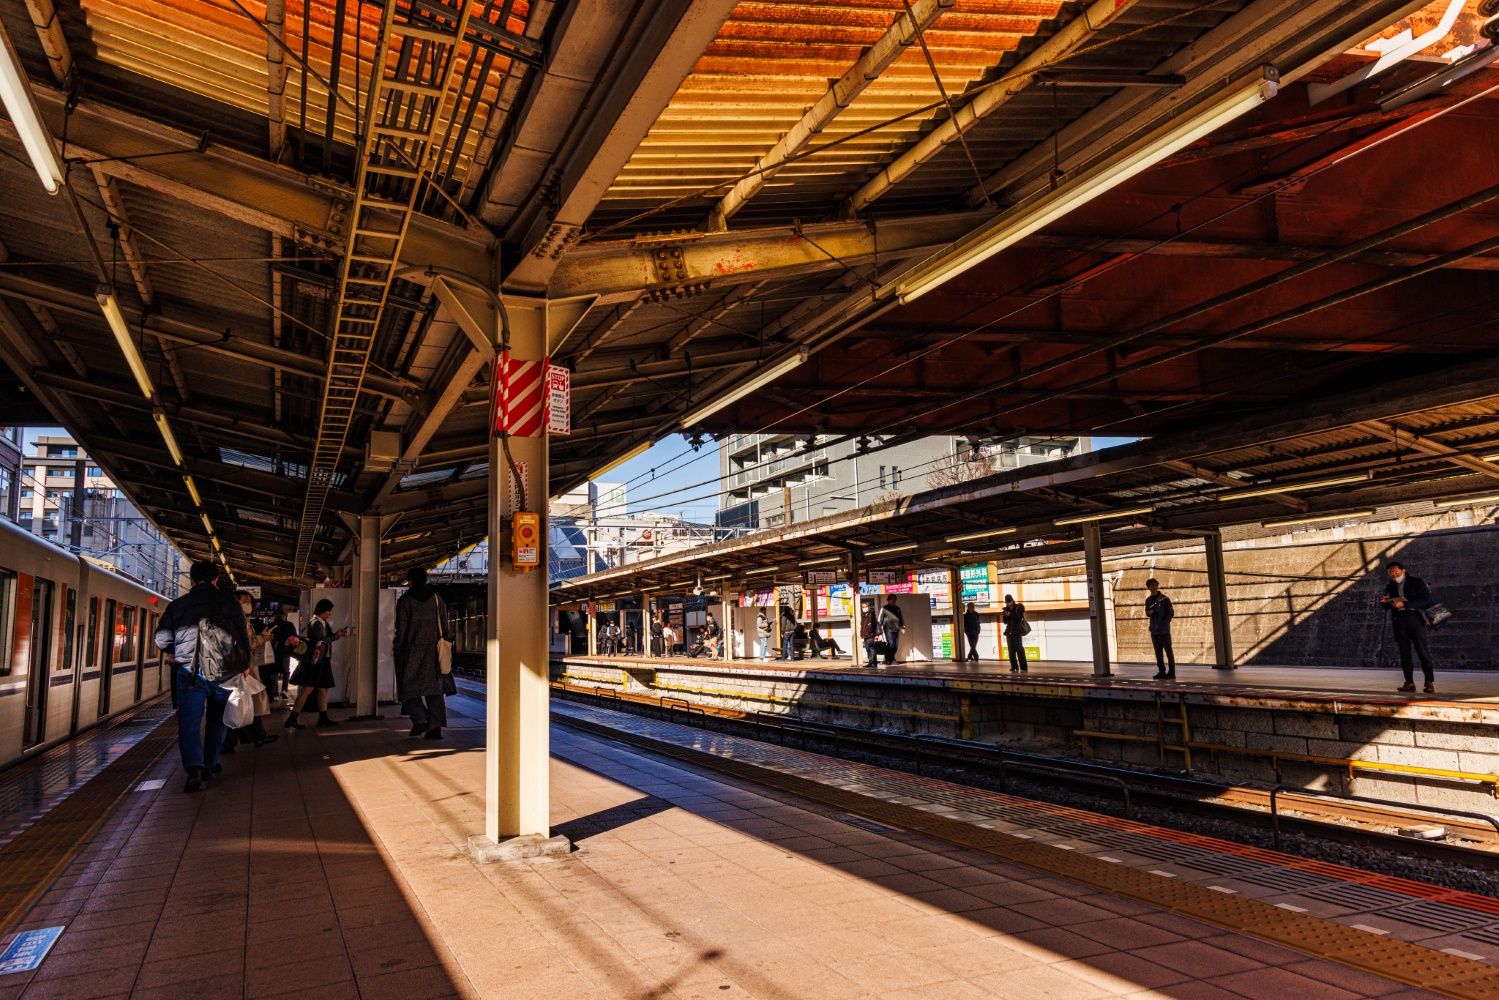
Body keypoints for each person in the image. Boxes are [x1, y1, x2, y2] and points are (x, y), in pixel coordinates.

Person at [154, 560, 246, 792]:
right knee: (217, 720)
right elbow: (242, 635)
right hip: (223, 671)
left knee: (189, 722)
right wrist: (245, 664)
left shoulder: (178, 605)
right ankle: (210, 763)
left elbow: (162, 640)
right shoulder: (229, 602)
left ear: (192, 580)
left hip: (190, 671)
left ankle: (193, 769)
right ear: (216, 579)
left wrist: (177, 652)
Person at [394, 568, 451, 740]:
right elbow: (445, 627)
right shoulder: (436, 599)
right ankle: (435, 727)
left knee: (408, 688)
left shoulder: (405, 601)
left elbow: (401, 629)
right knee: (435, 691)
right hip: (434, 652)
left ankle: (420, 719)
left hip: (412, 651)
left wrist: (397, 647)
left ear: (411, 580)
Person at [222, 590, 279, 753]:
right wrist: (263, 638)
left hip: (240, 668)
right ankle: (242, 738)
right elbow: (248, 644)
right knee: (245, 702)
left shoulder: (232, 620)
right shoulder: (240, 622)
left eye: (250, 601)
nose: (249, 604)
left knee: (244, 702)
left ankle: (247, 737)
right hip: (244, 669)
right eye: (245, 601)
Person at [285, 598, 348, 729]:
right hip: (315, 661)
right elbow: (322, 641)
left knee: (323, 689)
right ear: (321, 611)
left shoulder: (321, 622)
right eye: (328, 611)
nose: (330, 613)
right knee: (307, 689)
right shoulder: (316, 623)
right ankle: (292, 718)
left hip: (321, 660)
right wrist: (337, 635)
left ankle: (323, 717)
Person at [1380, 561, 1436, 693]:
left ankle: (1429, 682)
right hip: (1399, 622)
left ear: (1403, 570)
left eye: (1396, 572)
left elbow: (1425, 600)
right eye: (1391, 574)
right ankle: (1409, 682)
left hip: (1415, 620)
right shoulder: (1390, 586)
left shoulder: (1416, 582)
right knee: (1404, 654)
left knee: (1423, 652)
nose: (1394, 575)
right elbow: (1387, 606)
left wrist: (1406, 605)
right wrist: (1384, 602)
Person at [1145, 578, 1175, 680]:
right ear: (1148, 588)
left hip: (1164, 630)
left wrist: (1165, 622)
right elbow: (1147, 612)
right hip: (1154, 630)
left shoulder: (1165, 599)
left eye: (1155, 585)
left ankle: (1171, 673)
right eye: (1151, 585)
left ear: (1157, 586)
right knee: (1158, 653)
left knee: (1168, 652)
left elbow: (1170, 612)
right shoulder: (1148, 600)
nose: (1154, 587)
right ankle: (1161, 672)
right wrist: (1150, 613)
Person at [269, 607, 297, 700]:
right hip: (286, 651)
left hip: (273, 652)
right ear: (284, 616)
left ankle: (275, 693)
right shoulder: (289, 625)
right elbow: (295, 637)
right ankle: (284, 690)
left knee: (274, 672)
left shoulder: (271, 625)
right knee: (286, 671)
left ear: (274, 616)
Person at [1002, 595, 1028, 673]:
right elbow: (1005, 622)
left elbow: (1018, 619)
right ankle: (1014, 666)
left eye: (1009, 601)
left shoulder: (1018, 607)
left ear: (1012, 600)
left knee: (1019, 649)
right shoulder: (1006, 609)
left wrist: (1010, 614)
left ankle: (1023, 667)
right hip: (1009, 632)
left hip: (1017, 632)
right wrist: (1005, 615)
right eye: (1007, 602)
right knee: (1011, 651)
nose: (1008, 603)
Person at [878, 596, 905, 666]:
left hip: (896, 629)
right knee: (891, 644)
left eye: (895, 600)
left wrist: (903, 627)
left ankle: (888, 659)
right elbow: (879, 619)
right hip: (888, 629)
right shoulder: (884, 608)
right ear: (888, 600)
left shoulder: (897, 608)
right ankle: (892, 660)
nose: (894, 601)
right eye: (893, 600)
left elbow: (901, 617)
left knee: (895, 646)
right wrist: (879, 631)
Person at [860, 601, 881, 667]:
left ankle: (873, 663)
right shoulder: (863, 615)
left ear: (868, 607)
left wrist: (876, 634)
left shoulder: (871, 613)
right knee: (867, 649)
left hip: (871, 635)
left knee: (871, 649)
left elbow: (875, 625)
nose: (864, 608)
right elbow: (863, 626)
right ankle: (870, 662)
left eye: (865, 607)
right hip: (865, 635)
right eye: (863, 607)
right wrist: (861, 634)